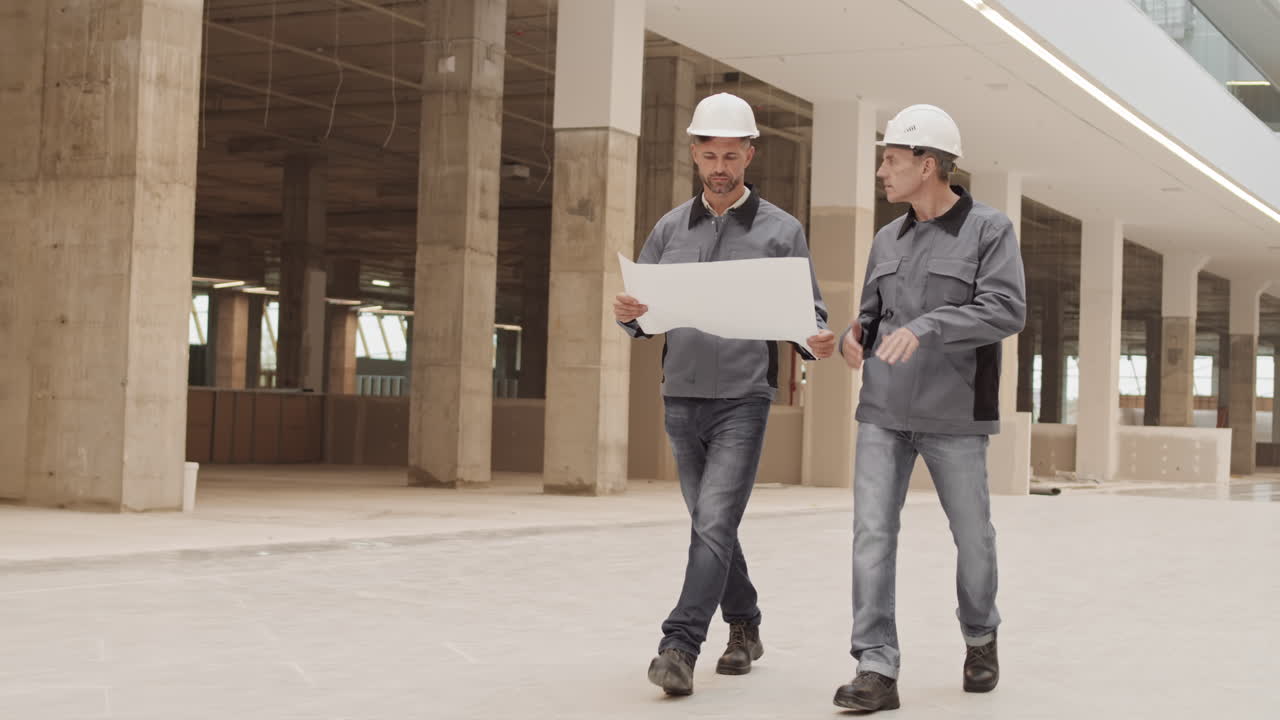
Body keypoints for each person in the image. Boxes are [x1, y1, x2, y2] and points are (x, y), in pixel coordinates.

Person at [613, 92, 835, 696]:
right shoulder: (668, 229)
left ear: (749, 155)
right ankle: (745, 625)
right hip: (680, 395)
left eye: (731, 155)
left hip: (744, 395)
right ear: (693, 153)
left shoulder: (781, 230)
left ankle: (679, 645)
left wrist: (817, 338)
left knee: (713, 520)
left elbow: (809, 315)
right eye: (709, 154)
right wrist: (629, 314)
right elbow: (641, 320)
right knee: (712, 522)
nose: (720, 167)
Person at [832, 104, 1026, 712]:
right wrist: (850, 337)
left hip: (955, 416)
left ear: (930, 164)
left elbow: (1006, 309)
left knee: (973, 537)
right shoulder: (887, 238)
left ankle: (980, 632)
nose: (883, 172)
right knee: (871, 535)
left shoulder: (990, 230)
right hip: (883, 411)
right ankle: (875, 666)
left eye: (892, 160)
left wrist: (931, 325)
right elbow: (870, 314)